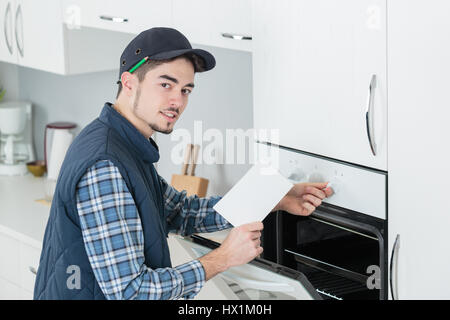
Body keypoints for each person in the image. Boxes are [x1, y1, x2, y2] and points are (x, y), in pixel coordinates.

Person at [33, 27, 333, 300]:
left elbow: (179, 212)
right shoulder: (105, 164)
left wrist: (272, 199)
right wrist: (222, 258)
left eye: (186, 90)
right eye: (166, 84)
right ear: (129, 82)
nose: (178, 101)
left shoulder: (123, 143)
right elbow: (131, 293)